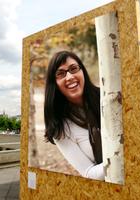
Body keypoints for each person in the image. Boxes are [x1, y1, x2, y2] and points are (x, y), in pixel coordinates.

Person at [44, 50, 104, 180]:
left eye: (74, 69)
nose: (70, 77)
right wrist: (118, 159)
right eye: (60, 73)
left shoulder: (107, 98)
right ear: (54, 84)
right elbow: (89, 172)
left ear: (82, 71)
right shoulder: (61, 129)